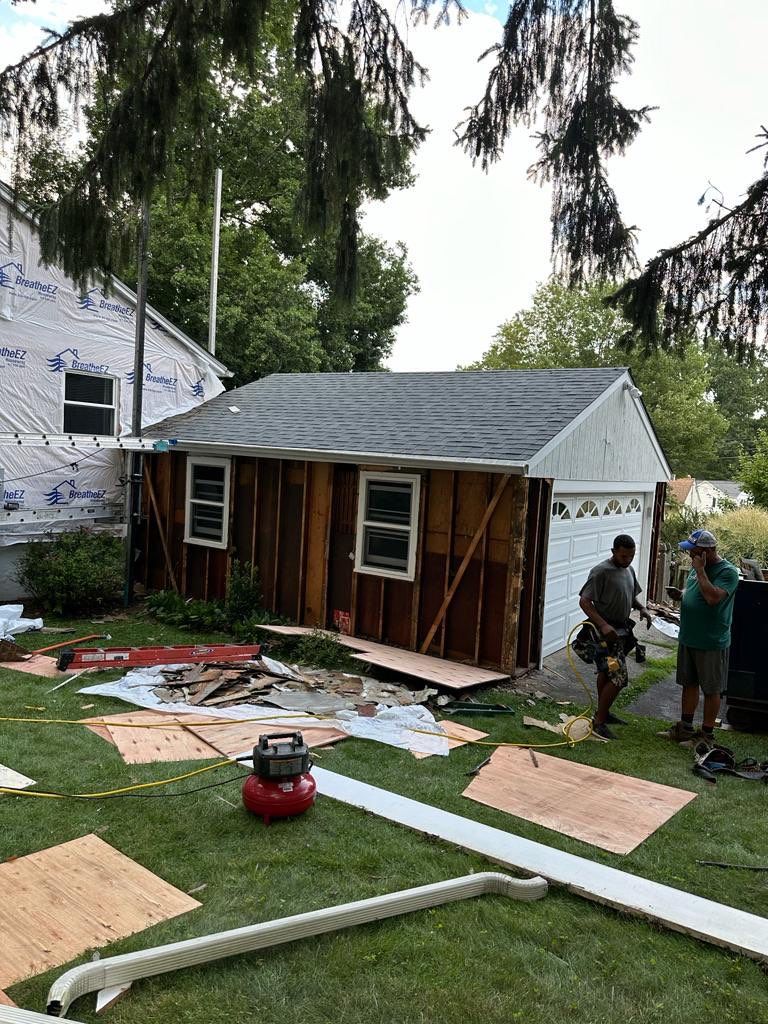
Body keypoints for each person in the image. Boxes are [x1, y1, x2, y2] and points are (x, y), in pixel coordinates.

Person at [663, 529, 739, 745]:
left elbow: (713, 598)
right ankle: (685, 729)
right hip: (689, 636)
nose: (689, 555)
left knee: (712, 689)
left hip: (711, 641)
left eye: (693, 551)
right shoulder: (698, 567)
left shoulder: (728, 572)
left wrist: (701, 571)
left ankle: (706, 735)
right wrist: (682, 594)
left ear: (707, 552)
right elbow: (694, 591)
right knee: (689, 683)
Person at [578, 534, 652, 740]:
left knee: (606, 672)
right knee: (618, 678)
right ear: (613, 552)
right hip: (603, 636)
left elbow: (629, 595)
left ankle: (603, 712)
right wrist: (602, 624)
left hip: (620, 633)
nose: (627, 560)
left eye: (631, 556)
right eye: (623, 556)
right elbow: (584, 602)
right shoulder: (601, 572)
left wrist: (642, 608)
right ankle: (599, 723)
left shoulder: (628, 570)